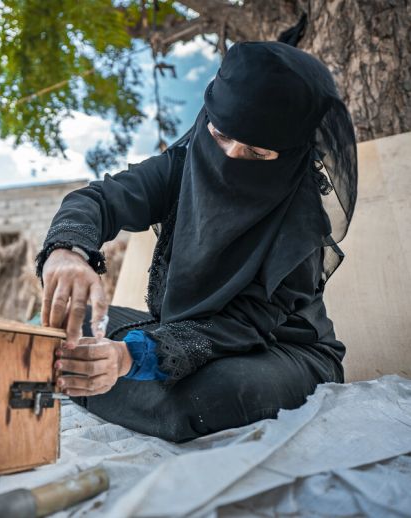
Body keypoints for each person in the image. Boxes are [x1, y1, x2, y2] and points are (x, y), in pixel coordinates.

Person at [36, 42, 357, 443]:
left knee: (202, 399)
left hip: (278, 351)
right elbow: (99, 200)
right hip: (175, 331)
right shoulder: (182, 166)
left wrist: (130, 356)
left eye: (257, 153)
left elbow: (243, 324)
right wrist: (68, 251)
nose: (230, 157)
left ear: (290, 154)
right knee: (62, 324)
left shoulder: (301, 224)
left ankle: (87, 379)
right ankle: (101, 377)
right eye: (221, 135)